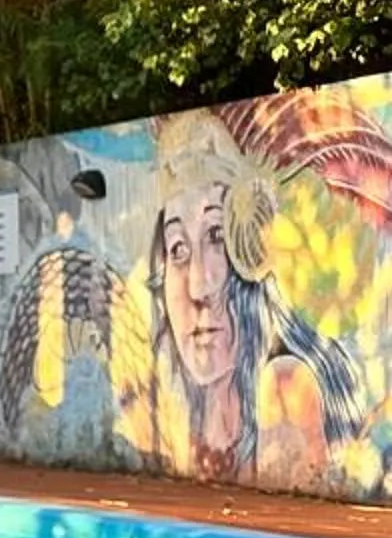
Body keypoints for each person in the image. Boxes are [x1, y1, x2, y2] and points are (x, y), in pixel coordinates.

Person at [125, 115, 363, 488]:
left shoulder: (283, 385)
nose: (198, 287)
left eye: (217, 236)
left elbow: (285, 534)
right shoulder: (188, 409)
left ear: (250, 253)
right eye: (178, 249)